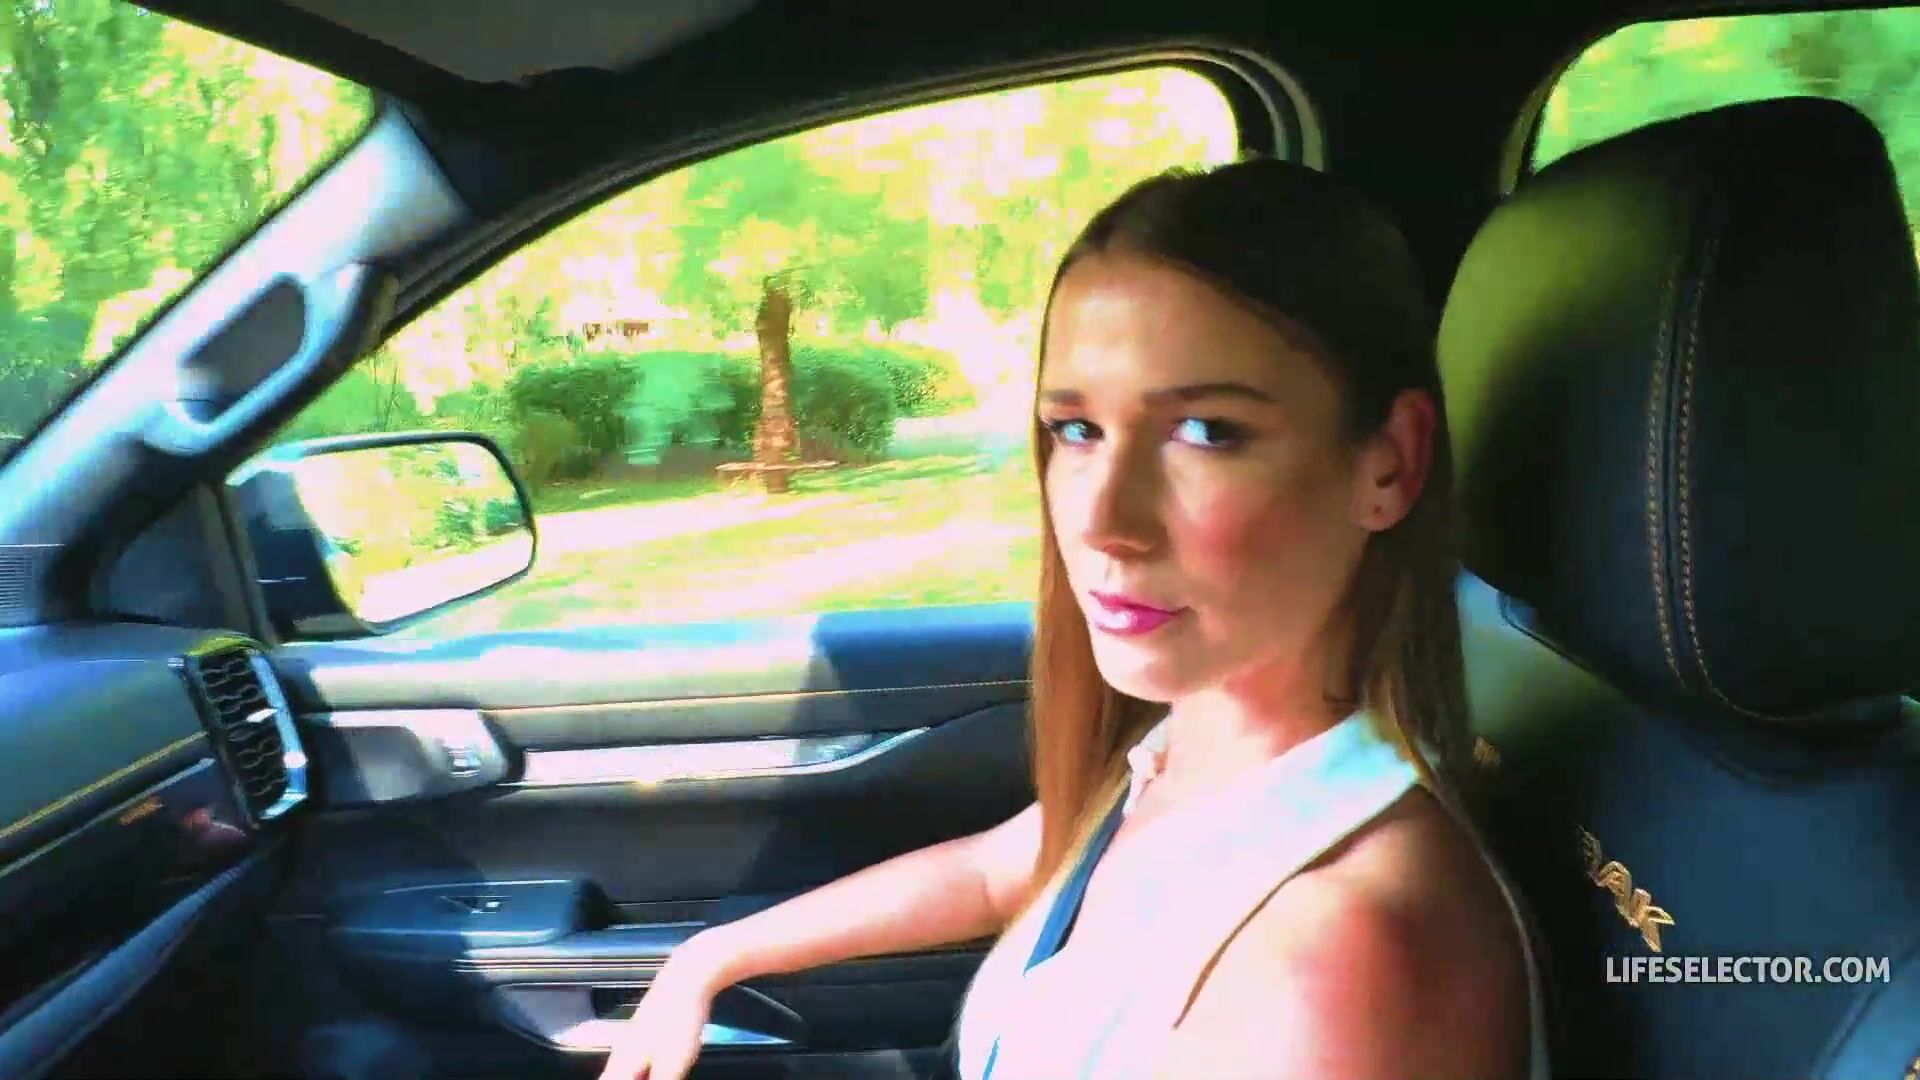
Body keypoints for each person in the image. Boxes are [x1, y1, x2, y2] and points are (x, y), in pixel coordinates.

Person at [599, 158, 1547, 1080]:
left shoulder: (1332, 955)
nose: (1101, 520)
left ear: (1389, 465)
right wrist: (709, 958)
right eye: (1077, 430)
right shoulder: (1201, 746)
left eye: (1207, 432)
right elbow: (994, 870)